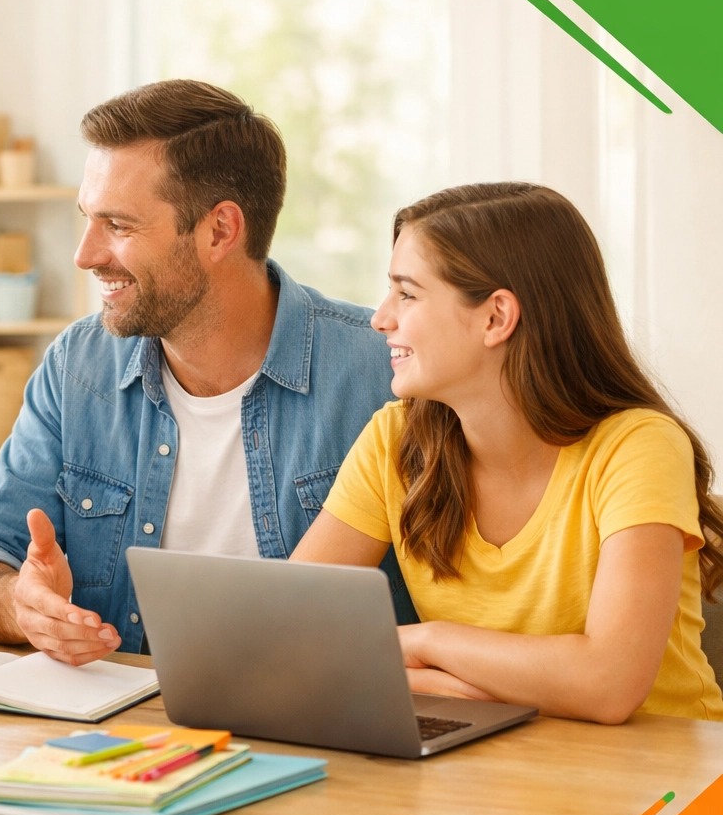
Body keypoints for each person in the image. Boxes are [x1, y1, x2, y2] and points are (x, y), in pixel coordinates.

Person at [0, 79, 410, 664]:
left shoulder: (384, 372)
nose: (84, 255)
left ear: (220, 231)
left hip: (329, 712)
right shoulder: (78, 367)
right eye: (88, 219)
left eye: (118, 225)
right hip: (129, 712)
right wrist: (20, 605)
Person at [292, 182, 723, 723]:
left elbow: (609, 684)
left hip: (665, 768)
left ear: (496, 317)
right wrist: (442, 684)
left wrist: (426, 642)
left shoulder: (639, 447)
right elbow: (289, 630)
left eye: (407, 294)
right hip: (493, 757)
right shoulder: (393, 441)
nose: (381, 318)